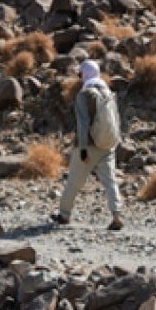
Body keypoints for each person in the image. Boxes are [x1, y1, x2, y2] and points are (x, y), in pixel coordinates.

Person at [54, 60, 124, 230]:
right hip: (108, 144)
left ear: (85, 74)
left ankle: (64, 214)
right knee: (110, 181)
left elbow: (83, 124)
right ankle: (117, 215)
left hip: (89, 146)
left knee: (74, 181)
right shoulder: (108, 92)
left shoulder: (84, 94)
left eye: (80, 74)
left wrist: (83, 149)